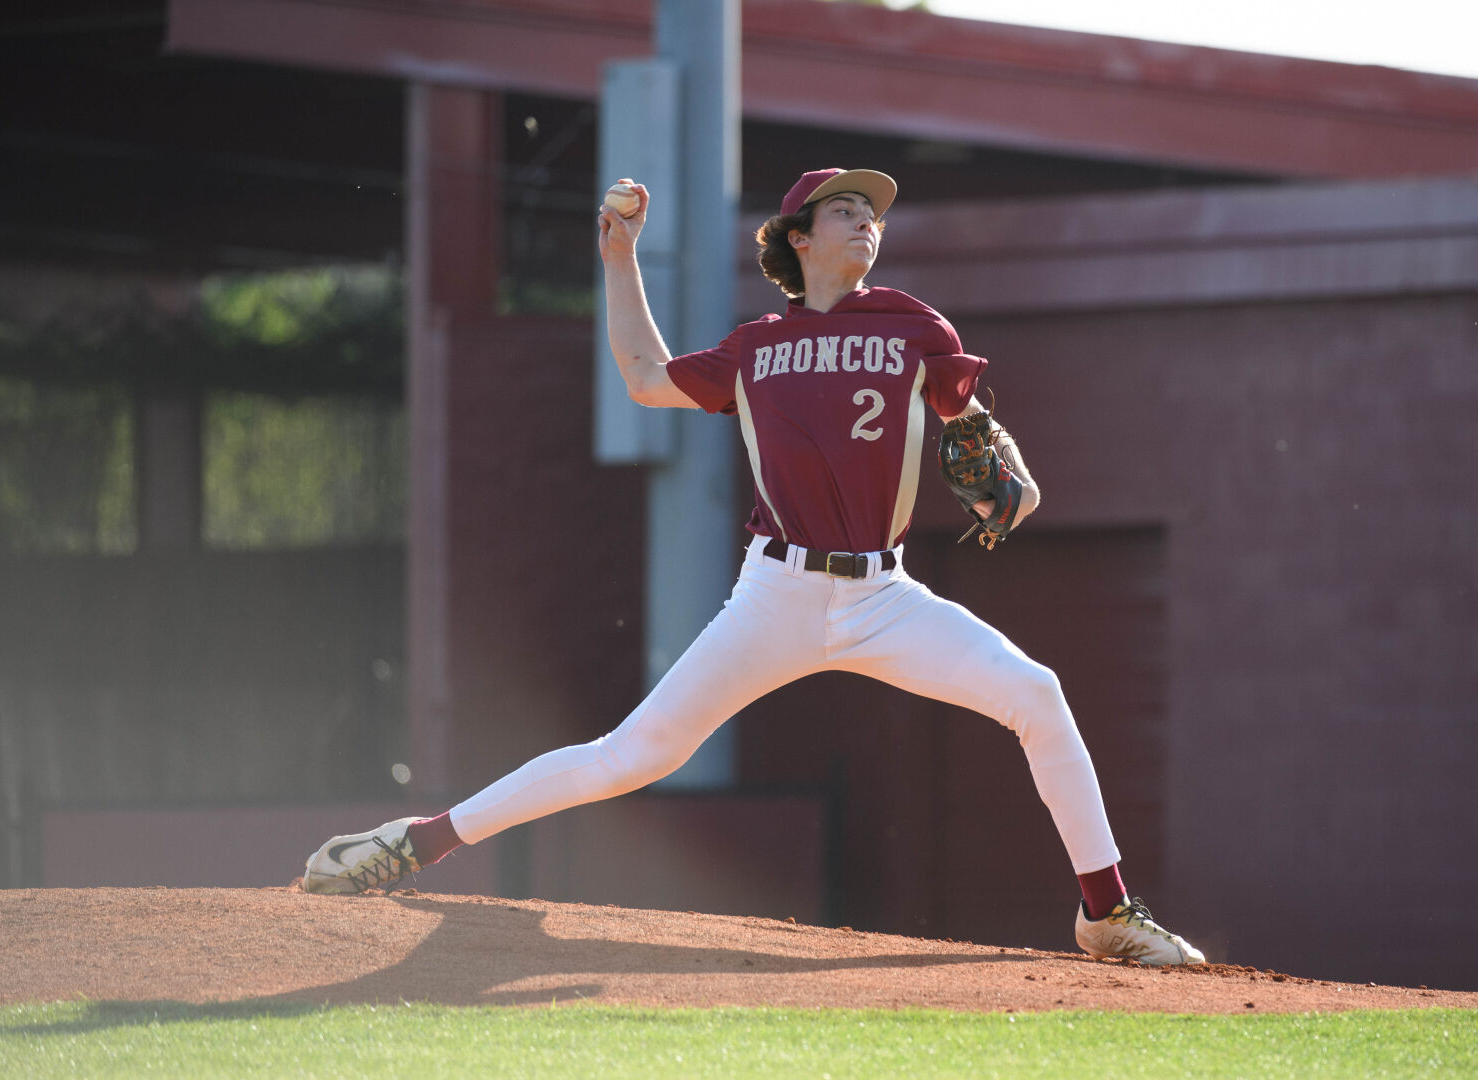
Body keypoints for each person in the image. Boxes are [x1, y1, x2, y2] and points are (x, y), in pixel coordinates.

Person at [300, 168, 1204, 965]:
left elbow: (973, 434)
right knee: (635, 753)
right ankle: (415, 842)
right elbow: (646, 376)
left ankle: (1106, 913)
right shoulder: (755, 347)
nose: (866, 223)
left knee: (1036, 693)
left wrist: (998, 467)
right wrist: (619, 260)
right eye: (844, 210)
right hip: (776, 592)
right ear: (798, 239)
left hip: (886, 596)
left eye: (872, 214)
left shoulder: (911, 323)